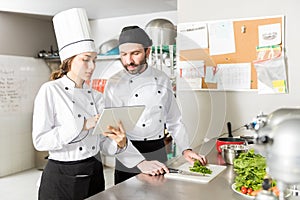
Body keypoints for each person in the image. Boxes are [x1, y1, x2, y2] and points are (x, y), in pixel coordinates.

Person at [32, 8, 127, 200]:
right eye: (85, 60)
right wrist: (83, 124)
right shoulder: (51, 90)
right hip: (62, 176)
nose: (92, 67)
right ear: (69, 61)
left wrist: (119, 142)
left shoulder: (97, 96)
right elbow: (40, 141)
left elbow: (101, 144)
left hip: (94, 171)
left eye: (94, 60)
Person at [103, 25, 207, 184]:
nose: (129, 61)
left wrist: (186, 149)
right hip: (128, 152)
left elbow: (174, 121)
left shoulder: (162, 78)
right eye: (124, 54)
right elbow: (112, 131)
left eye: (135, 53)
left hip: (157, 150)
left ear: (148, 51)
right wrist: (139, 162)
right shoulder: (114, 83)